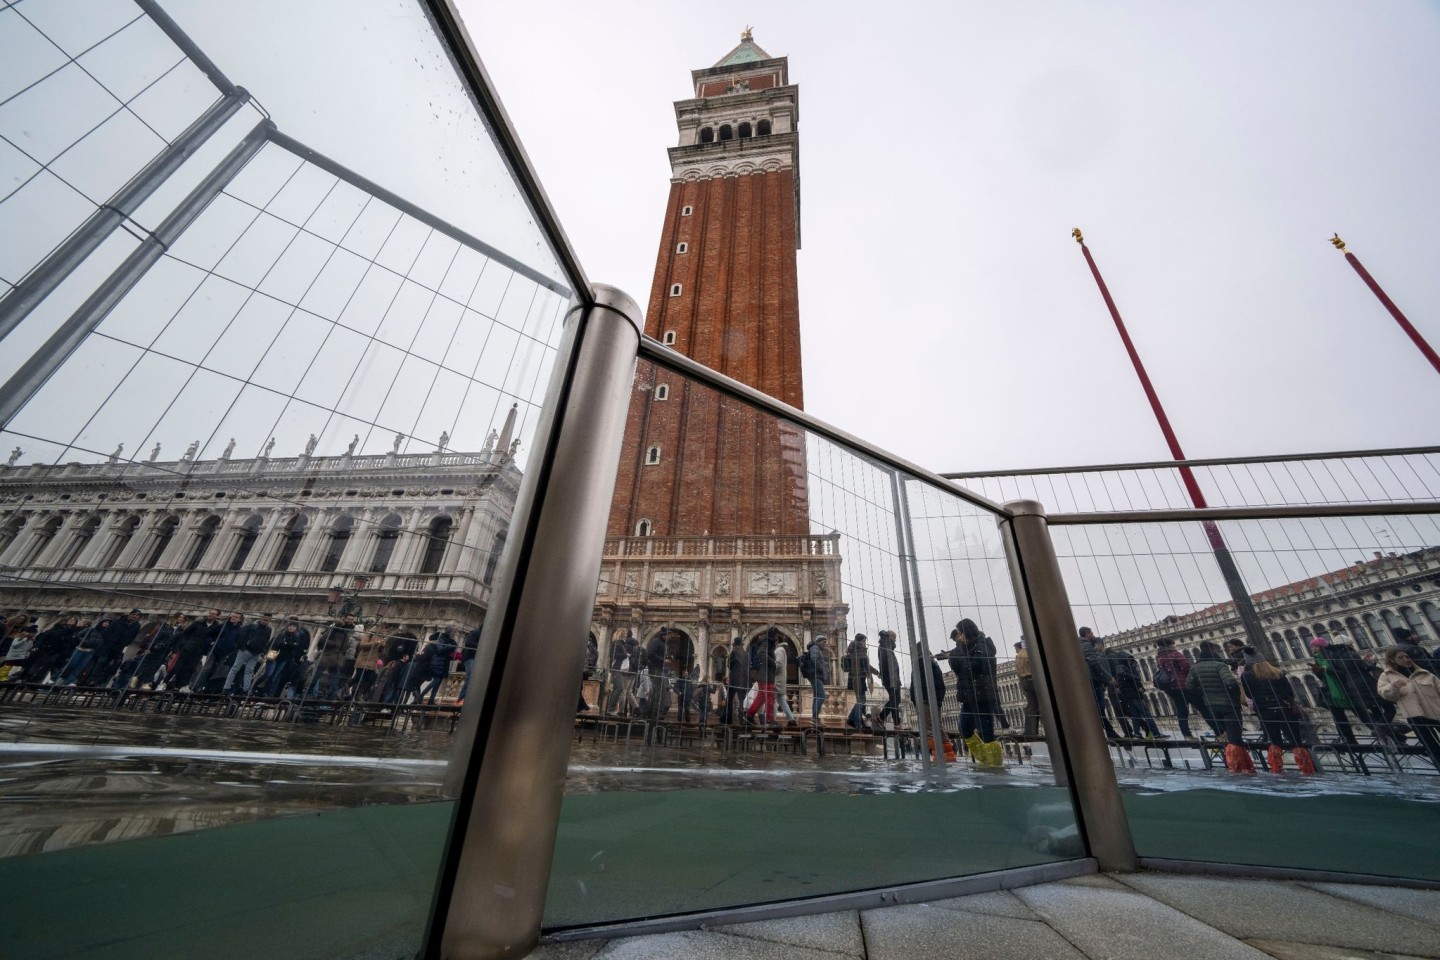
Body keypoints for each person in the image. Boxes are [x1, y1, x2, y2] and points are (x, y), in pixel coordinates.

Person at [1311, 635, 1395, 745]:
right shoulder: (1319, 659)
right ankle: (1349, 739)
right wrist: (1319, 672)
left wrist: (1326, 670)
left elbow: (1342, 673)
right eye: (1312, 647)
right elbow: (1326, 677)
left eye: (1316, 646)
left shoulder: (1331, 656)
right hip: (1334, 692)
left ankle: (1392, 736)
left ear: (1322, 646)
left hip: (1345, 690)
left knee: (1365, 715)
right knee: (1343, 716)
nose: (1313, 649)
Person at [1186, 640, 1254, 773]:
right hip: (1228, 705)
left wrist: (1203, 694)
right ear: (1213, 650)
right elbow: (1230, 683)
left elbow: (1189, 686)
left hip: (1211, 706)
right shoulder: (1219, 665)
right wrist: (1234, 698)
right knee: (1235, 737)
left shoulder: (1195, 667)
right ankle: (1239, 768)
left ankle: (1231, 765)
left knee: (1223, 736)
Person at [1241, 654, 1315, 774]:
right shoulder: (1277, 672)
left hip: (1265, 711)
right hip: (1284, 709)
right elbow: (1289, 692)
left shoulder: (1247, 675)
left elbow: (1249, 695)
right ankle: (1306, 769)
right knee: (1296, 741)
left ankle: (1276, 769)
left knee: (1275, 741)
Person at [1377, 647, 1440, 771]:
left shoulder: (1424, 673)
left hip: (1436, 712)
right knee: (1432, 747)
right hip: (1415, 716)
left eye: (1407, 656)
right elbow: (1384, 694)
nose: (1405, 660)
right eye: (1401, 657)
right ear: (1392, 660)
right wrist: (1393, 687)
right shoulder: (1387, 676)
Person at [955, 619, 1003, 766]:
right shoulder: (969, 647)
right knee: (964, 728)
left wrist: (960, 657)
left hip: (982, 696)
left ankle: (995, 766)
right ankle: (984, 759)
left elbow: (977, 666)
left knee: (987, 733)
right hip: (970, 696)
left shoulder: (982, 646)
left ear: (965, 632)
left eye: (960, 633)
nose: (959, 637)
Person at [1106, 642, 1162, 738]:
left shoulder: (1123, 667)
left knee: (1135, 715)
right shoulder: (1121, 668)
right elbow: (1123, 676)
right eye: (1127, 659)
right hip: (1132, 694)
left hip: (1129, 694)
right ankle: (1155, 733)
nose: (1129, 661)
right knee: (1146, 713)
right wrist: (1135, 677)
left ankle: (1137, 733)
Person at [1078, 629, 1121, 739]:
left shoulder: (1078, 645)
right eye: (1091, 633)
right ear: (1087, 634)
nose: (1093, 635)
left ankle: (1108, 732)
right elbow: (1094, 662)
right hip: (1093, 679)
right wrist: (1108, 678)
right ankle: (1108, 732)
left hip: (1087, 679)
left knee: (1098, 708)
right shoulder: (1086, 645)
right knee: (1099, 707)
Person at [308, 615, 356, 700]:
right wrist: (334, 644)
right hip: (328, 655)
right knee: (317, 674)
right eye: (348, 619)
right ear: (344, 619)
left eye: (352, 619)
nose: (350, 621)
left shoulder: (349, 630)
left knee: (335, 677)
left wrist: (344, 649)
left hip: (337, 657)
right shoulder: (336, 627)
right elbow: (323, 639)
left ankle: (332, 695)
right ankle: (308, 691)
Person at [225, 613, 273, 695]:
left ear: (269, 621)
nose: (265, 622)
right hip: (246, 650)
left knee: (249, 671)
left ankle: (246, 689)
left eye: (267, 620)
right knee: (235, 668)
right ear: (261, 618)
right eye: (264, 620)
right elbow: (242, 636)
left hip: (256, 653)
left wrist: (263, 651)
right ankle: (226, 687)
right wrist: (242, 646)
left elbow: (266, 641)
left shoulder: (268, 629)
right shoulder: (251, 626)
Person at [263, 620, 310, 697]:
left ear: (296, 628)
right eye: (290, 626)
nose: (291, 627)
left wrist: (286, 644)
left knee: (275, 676)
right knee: (268, 674)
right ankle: (259, 688)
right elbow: (276, 643)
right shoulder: (282, 634)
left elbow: (295, 646)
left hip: (284, 659)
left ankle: (268, 692)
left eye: (293, 626)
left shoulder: (297, 636)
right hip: (274, 656)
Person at [745, 629, 779, 726]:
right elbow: (761, 653)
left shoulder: (768, 642)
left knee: (761, 698)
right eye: (777, 636)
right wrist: (773, 662)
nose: (777, 639)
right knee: (770, 697)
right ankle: (770, 720)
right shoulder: (767, 642)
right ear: (774, 635)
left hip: (765, 675)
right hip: (766, 675)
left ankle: (749, 715)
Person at [418, 627, 458, 705]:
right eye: (453, 632)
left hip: (444, 664)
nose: (454, 634)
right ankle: (421, 695)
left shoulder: (450, 641)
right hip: (438, 663)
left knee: (438, 683)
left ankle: (431, 699)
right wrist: (449, 646)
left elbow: (450, 649)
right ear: (449, 632)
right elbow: (440, 650)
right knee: (435, 681)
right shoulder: (442, 639)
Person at [604, 630, 639, 715]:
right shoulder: (617, 643)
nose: (626, 636)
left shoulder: (621, 644)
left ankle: (611, 709)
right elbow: (614, 655)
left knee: (618, 688)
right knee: (619, 688)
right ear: (621, 634)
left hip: (620, 669)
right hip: (617, 668)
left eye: (626, 634)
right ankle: (611, 709)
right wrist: (625, 655)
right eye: (625, 634)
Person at [875, 631, 903, 727]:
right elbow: (887, 664)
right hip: (891, 678)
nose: (895, 640)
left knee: (895, 699)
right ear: (890, 637)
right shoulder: (886, 646)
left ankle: (896, 723)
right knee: (895, 699)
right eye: (894, 638)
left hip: (890, 677)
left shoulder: (885, 646)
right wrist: (892, 679)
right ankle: (881, 717)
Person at [844, 633, 874, 722]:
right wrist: (874, 673)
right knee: (861, 700)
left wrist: (875, 672)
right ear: (859, 641)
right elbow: (866, 666)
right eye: (864, 641)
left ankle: (857, 719)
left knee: (861, 700)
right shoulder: (859, 651)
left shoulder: (854, 651)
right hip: (858, 679)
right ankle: (854, 720)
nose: (865, 643)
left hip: (856, 679)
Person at [1015, 638, 1041, 738]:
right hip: (1032, 678)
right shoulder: (1029, 653)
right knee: (1041, 705)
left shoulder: (1019, 655)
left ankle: (1030, 731)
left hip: (1024, 680)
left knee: (1031, 706)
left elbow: (1018, 672)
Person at [805, 635, 832, 726]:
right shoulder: (815, 648)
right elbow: (814, 659)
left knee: (817, 696)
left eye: (826, 642)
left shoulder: (816, 648)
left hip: (816, 676)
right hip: (816, 675)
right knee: (821, 695)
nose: (825, 644)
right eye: (823, 642)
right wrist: (820, 670)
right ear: (818, 641)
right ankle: (814, 717)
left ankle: (815, 718)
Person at [772, 638, 799, 727]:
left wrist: (771, 672)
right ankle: (791, 719)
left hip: (776, 680)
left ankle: (773, 720)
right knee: (781, 700)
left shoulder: (779, 650)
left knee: (773, 701)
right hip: (780, 680)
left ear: (777, 641)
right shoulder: (782, 650)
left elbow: (778, 665)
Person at [725, 635, 749, 725]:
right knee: (741, 701)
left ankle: (728, 720)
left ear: (735, 644)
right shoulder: (746, 653)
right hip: (744, 680)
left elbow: (729, 665)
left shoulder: (734, 651)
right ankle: (741, 721)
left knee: (730, 699)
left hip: (734, 679)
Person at [457, 622, 482, 702]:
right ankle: (461, 698)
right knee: (471, 677)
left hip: (477, 659)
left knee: (474, 678)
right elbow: (468, 643)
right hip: (470, 658)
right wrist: (481, 645)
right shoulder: (476, 632)